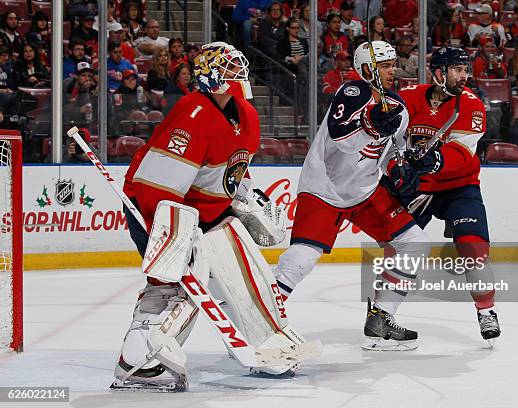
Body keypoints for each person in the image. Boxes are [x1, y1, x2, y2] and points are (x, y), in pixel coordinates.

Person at [114, 42, 283, 390]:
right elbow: (156, 189)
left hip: (206, 211)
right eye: (229, 68)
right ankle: (137, 364)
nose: (238, 74)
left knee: (245, 275)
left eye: (239, 67)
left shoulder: (247, 114)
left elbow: (235, 170)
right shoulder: (191, 115)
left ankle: (269, 344)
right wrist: (174, 241)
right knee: (170, 288)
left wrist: (245, 200)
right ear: (209, 74)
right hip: (161, 212)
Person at [274, 40, 433, 351]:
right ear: (366, 69)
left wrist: (406, 167)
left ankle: (381, 318)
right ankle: (262, 315)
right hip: (324, 188)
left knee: (415, 244)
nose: (393, 70)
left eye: (393, 64)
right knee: (303, 258)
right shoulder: (352, 92)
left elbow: (391, 153)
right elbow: (342, 137)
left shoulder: (398, 107)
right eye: (385, 65)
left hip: (365, 191)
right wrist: (370, 124)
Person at [391, 46, 501, 344]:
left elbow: (463, 153)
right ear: (439, 73)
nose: (464, 76)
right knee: (397, 250)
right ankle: (381, 316)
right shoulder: (409, 96)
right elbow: (392, 140)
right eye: (457, 70)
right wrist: (396, 167)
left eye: (466, 70)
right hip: (420, 188)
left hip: (459, 187)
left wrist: (437, 161)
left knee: (473, 249)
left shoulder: (472, 105)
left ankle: (486, 310)